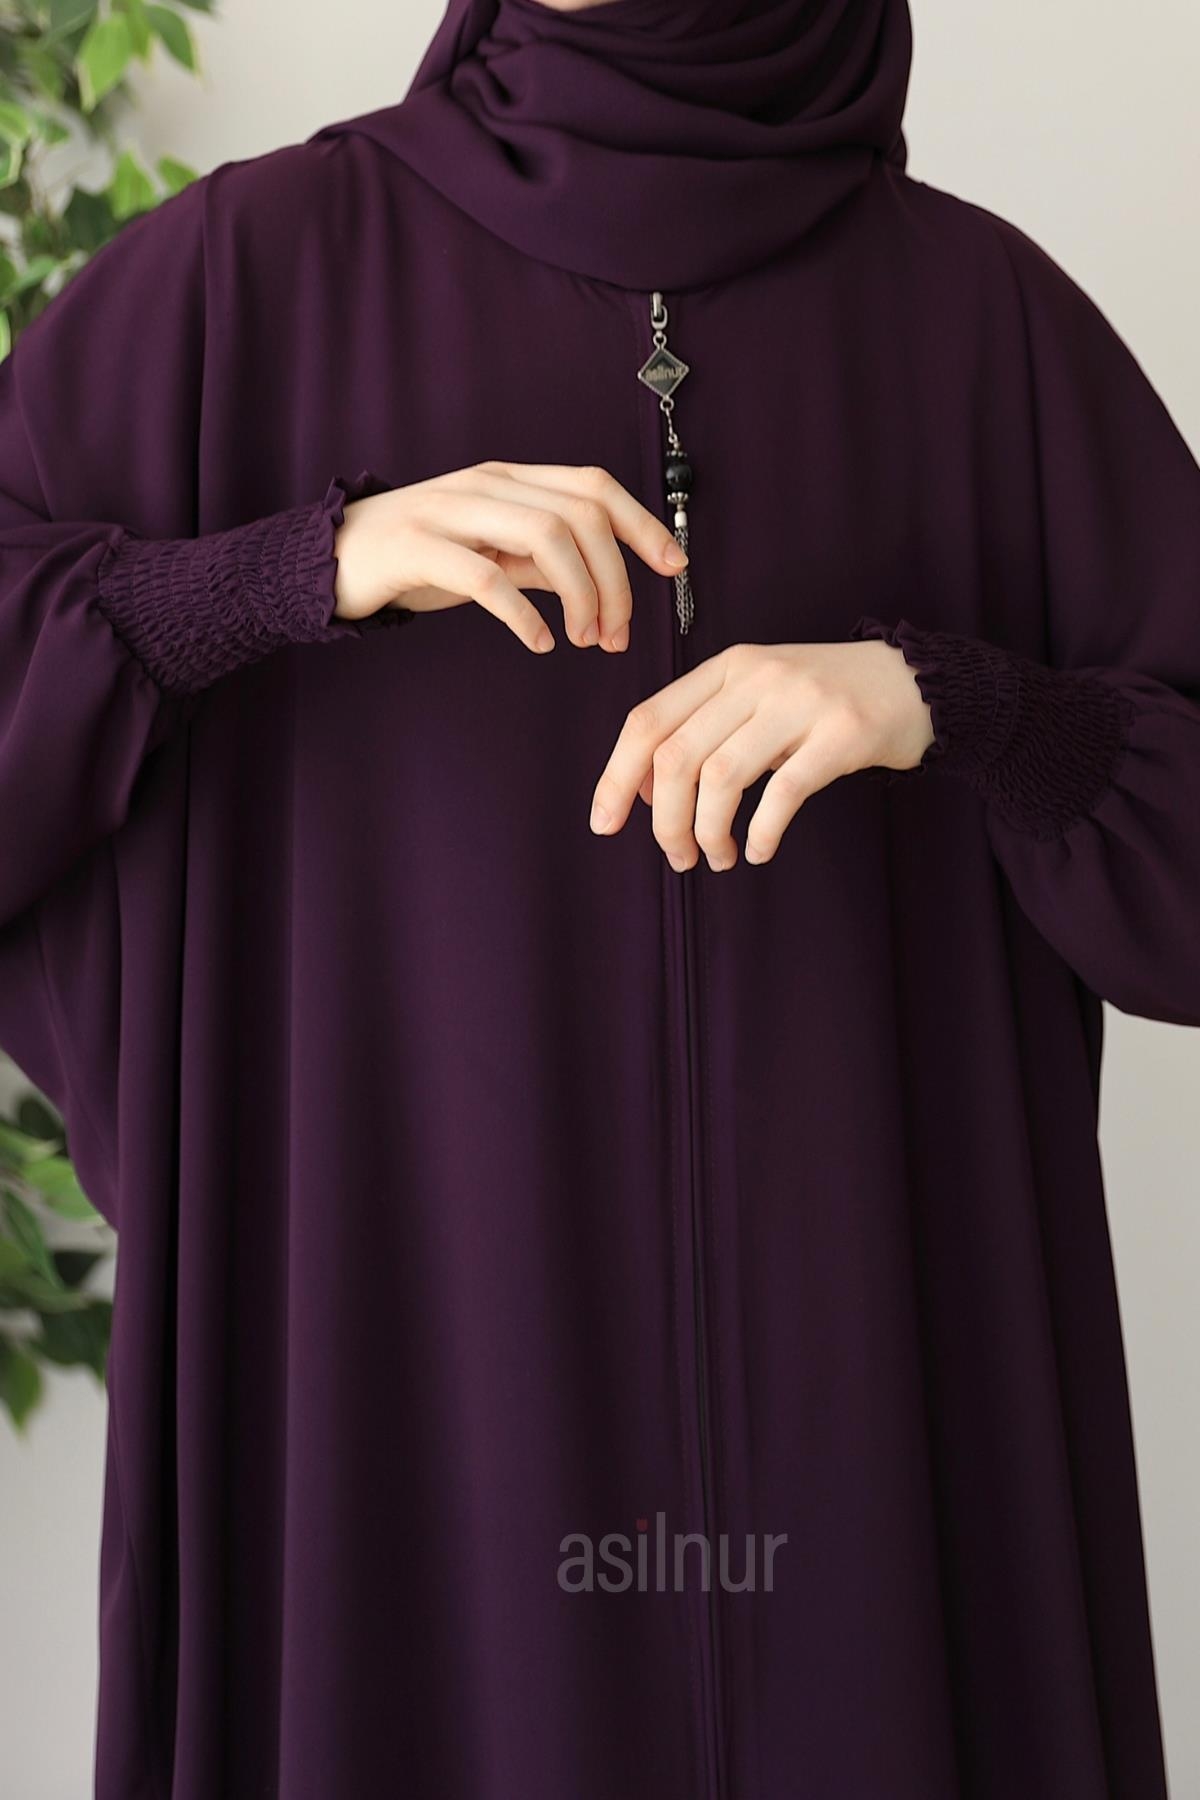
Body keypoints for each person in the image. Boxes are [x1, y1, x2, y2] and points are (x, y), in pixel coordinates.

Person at [1, 0, 1196, 1793]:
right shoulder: (242, 283)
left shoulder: (987, 325)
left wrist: (957, 702)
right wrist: (288, 570)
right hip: (399, 1446)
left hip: (880, 1467)